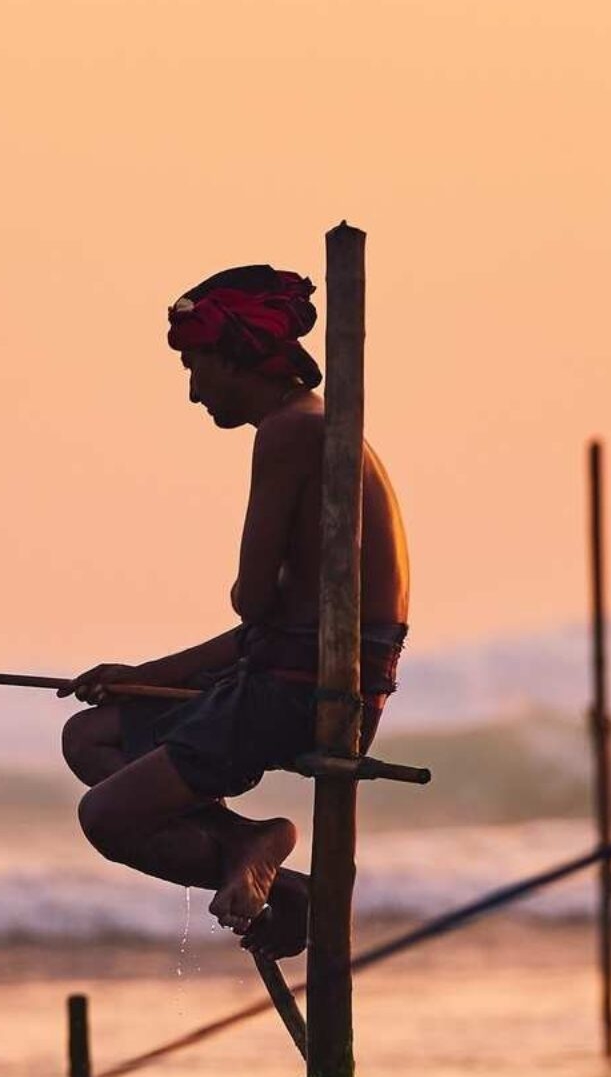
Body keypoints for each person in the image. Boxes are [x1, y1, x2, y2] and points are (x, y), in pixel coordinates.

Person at [59, 266, 414, 958]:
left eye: (196, 367)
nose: (193, 391)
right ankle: (247, 847)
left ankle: (260, 855)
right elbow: (275, 622)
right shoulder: (313, 426)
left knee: (105, 816)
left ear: (235, 357)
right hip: (289, 670)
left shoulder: (288, 433)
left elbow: (252, 603)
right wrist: (144, 674)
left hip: (305, 691)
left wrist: (248, 611)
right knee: (90, 736)